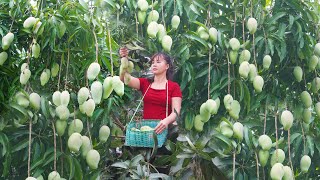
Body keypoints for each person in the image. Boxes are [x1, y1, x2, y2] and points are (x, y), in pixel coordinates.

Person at [119, 47, 182, 134]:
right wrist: (124, 59)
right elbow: (124, 79)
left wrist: (166, 121)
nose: (154, 64)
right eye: (153, 62)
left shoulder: (174, 87)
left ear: (167, 66)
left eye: (158, 62)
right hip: (147, 132)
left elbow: (176, 112)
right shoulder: (145, 83)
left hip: (165, 133)